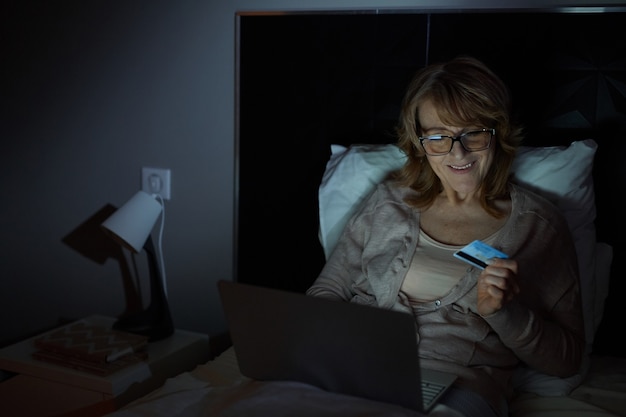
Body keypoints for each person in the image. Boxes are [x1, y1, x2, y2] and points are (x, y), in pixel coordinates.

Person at [306, 56, 585, 417]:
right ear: (420, 142)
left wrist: (506, 314)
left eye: (473, 132)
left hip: (456, 390)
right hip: (358, 372)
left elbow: (567, 359)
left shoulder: (538, 226)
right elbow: (327, 291)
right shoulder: (389, 200)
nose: (458, 152)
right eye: (438, 136)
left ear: (497, 131)